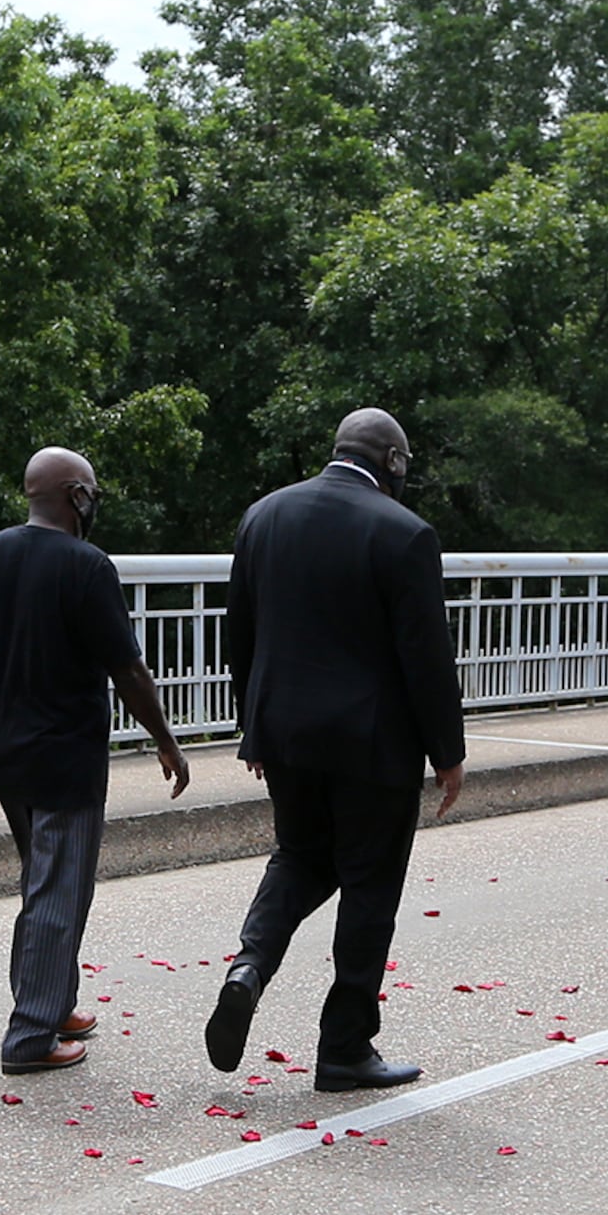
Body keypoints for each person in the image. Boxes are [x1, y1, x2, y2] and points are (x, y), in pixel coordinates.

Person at [204, 409, 467, 1094]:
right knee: (370, 886)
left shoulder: (264, 516)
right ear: (394, 464)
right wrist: (448, 751)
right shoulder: (404, 532)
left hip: (285, 735)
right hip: (372, 745)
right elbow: (425, 654)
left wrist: (252, 727)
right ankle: (345, 1047)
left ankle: (250, 967)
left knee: (300, 855)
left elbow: (242, 630)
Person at [0, 448, 194, 1072]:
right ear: (76, 496)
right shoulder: (86, 566)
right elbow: (126, 667)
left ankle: (55, 1002)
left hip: (7, 756)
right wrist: (164, 737)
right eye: (92, 493)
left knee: (45, 881)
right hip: (67, 758)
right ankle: (29, 1037)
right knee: (58, 892)